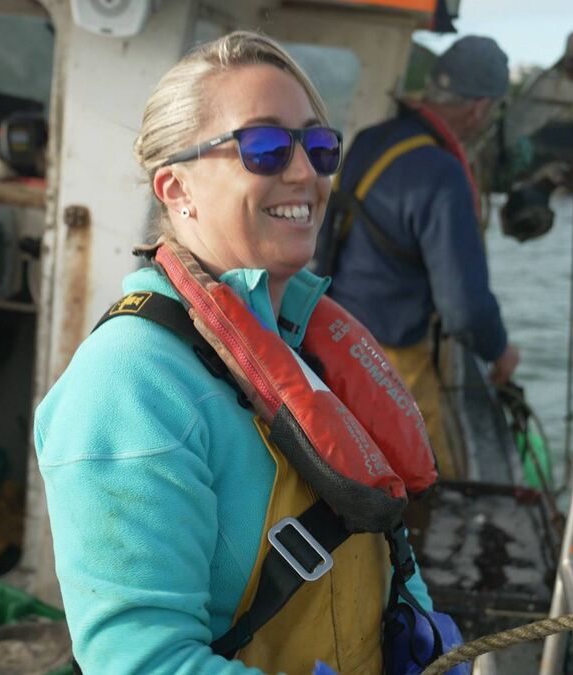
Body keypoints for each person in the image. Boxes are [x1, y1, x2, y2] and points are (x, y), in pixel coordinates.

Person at [35, 32, 457, 674]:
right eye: (263, 148)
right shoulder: (128, 387)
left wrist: (422, 631)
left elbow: (381, 535)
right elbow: (141, 661)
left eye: (318, 148)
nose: (305, 173)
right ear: (176, 190)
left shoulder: (306, 341)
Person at [316, 35, 520, 479]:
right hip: (392, 359)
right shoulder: (442, 173)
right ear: (480, 109)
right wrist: (500, 351)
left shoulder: (371, 141)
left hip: (334, 333)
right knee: (425, 477)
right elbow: (464, 310)